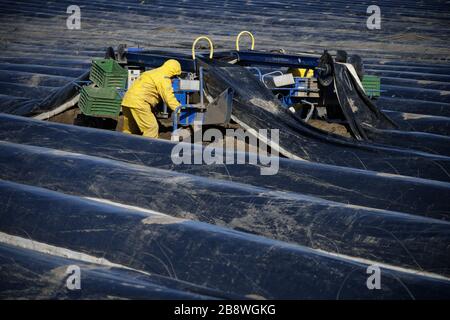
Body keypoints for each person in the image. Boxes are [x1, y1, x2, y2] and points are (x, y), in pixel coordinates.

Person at [121, 59, 182, 138]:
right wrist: (180, 108)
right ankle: (148, 149)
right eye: (175, 77)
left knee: (130, 130)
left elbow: (146, 91)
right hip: (139, 103)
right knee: (151, 128)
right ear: (173, 74)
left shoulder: (151, 72)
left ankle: (125, 146)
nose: (174, 80)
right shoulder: (164, 78)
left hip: (127, 101)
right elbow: (169, 98)